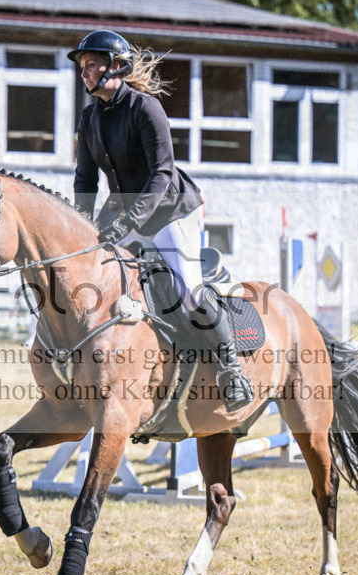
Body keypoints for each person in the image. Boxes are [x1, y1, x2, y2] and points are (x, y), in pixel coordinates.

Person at [68, 29, 253, 411]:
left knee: (187, 287)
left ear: (115, 67)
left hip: (170, 209)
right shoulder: (89, 118)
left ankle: (231, 370)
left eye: (90, 65)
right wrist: (82, 229)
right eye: (83, 66)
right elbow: (85, 180)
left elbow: (161, 174)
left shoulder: (145, 108)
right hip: (124, 211)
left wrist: (125, 223)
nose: (84, 72)